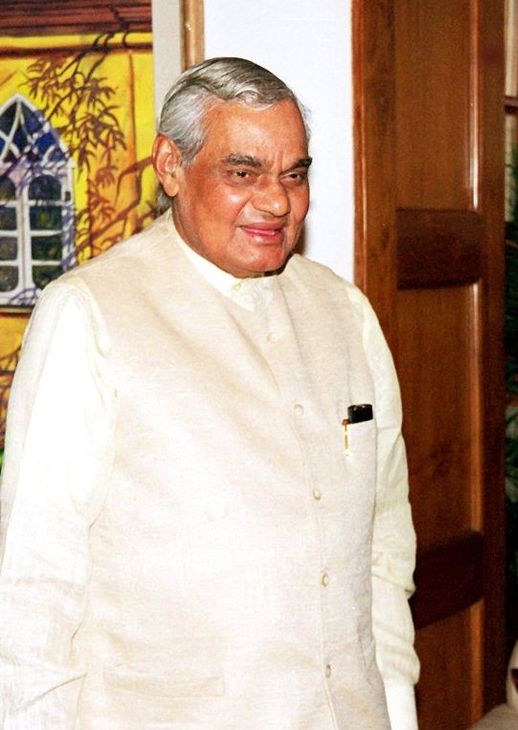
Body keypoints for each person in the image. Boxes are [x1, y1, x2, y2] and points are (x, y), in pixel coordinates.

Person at [0, 57, 418, 728]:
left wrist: (396, 708)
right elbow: (34, 585)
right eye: (243, 172)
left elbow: (382, 551)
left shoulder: (344, 314)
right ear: (171, 166)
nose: (277, 200)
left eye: (294, 174)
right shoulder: (91, 314)